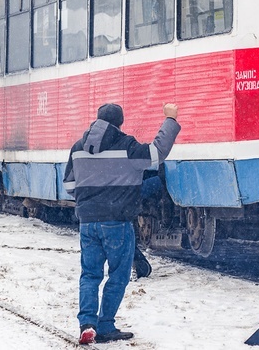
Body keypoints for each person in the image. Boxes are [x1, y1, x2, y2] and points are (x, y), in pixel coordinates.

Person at [63, 102, 181, 345]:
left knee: (90, 274)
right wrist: (170, 119)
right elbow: (157, 154)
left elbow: (69, 186)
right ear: (120, 123)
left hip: (88, 223)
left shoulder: (78, 148)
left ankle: (87, 324)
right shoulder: (126, 146)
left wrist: (92, 196)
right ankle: (105, 325)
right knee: (118, 275)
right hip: (117, 222)